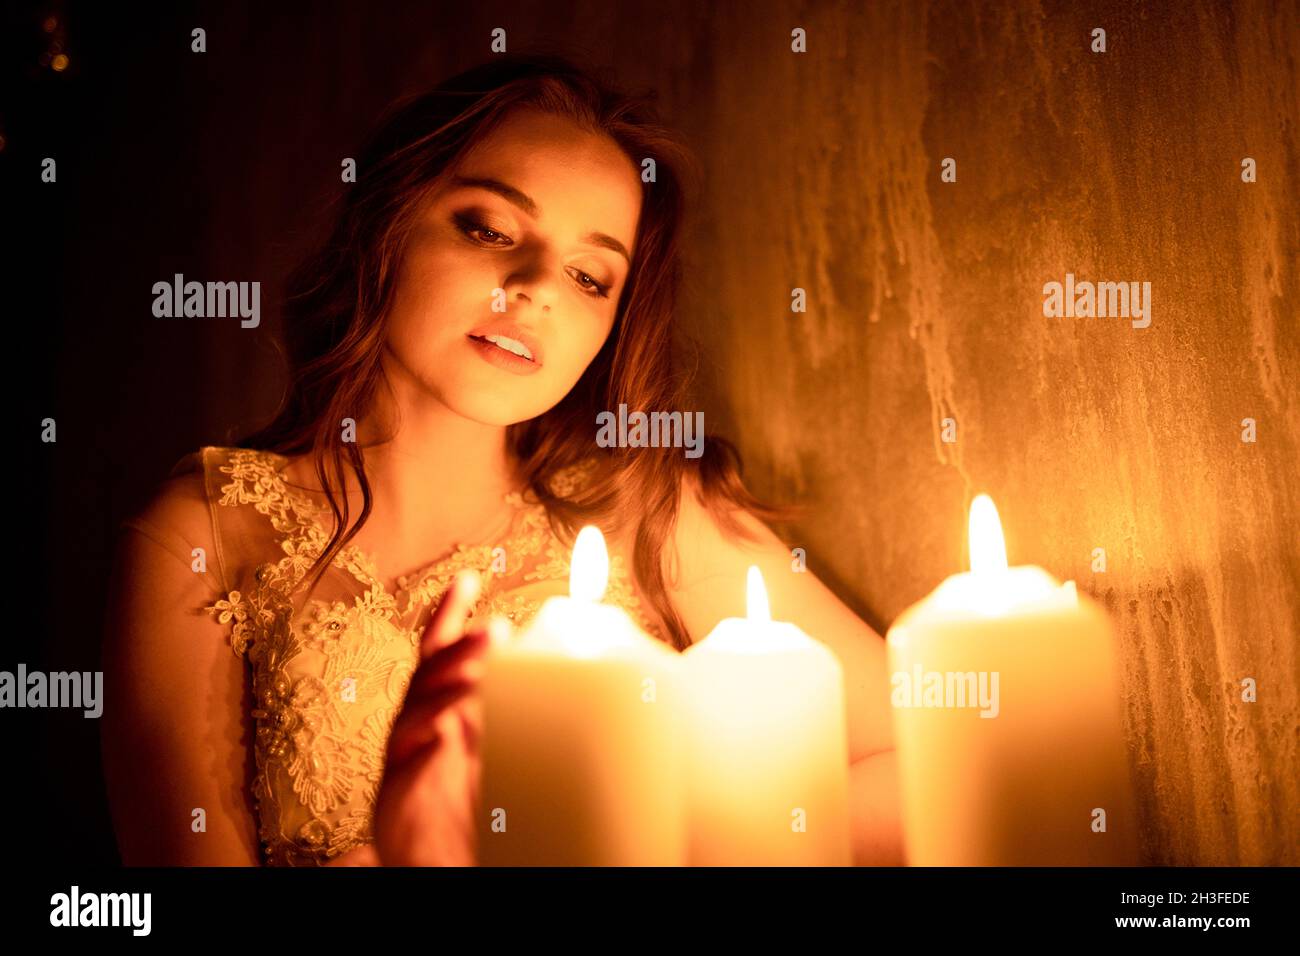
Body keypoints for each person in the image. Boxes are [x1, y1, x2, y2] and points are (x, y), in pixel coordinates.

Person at [100, 53, 902, 867]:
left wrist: (660, 834)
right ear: (387, 221)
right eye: (488, 228)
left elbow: (917, 757)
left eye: (590, 276)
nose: (537, 287)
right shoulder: (202, 533)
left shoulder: (644, 508)